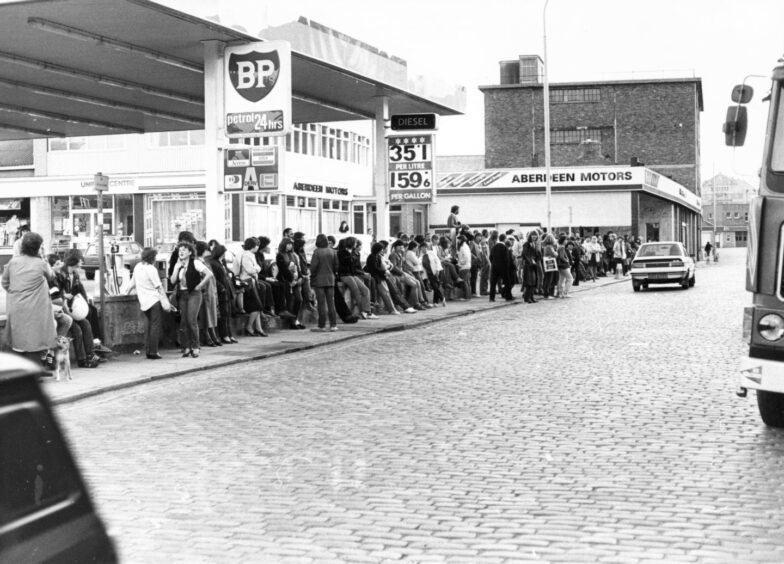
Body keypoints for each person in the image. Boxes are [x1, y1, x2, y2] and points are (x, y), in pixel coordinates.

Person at [1, 232, 57, 363]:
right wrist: (43, 257)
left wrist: (17, 293)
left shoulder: (13, 262)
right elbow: (51, 276)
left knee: (18, 342)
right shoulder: (40, 263)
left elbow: (5, 283)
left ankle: (21, 372)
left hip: (17, 308)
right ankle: (35, 373)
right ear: (37, 248)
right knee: (35, 343)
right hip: (36, 309)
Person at [56, 251, 101, 368]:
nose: (82, 262)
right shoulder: (60, 274)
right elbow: (55, 292)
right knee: (77, 330)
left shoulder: (75, 275)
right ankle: (82, 360)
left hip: (72, 309)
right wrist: (63, 296)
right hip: (62, 311)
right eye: (80, 260)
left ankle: (91, 355)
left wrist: (85, 303)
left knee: (86, 324)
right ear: (74, 260)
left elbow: (80, 289)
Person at [169, 241, 213, 358]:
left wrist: (200, 285)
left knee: (191, 320)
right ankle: (186, 347)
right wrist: (176, 268)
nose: (181, 252)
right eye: (180, 250)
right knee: (183, 321)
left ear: (189, 252)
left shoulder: (196, 263)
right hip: (182, 294)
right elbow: (172, 281)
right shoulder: (178, 265)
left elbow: (209, 274)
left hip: (194, 294)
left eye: (184, 250)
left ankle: (195, 346)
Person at [125, 247, 170, 359]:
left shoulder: (137, 267)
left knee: (148, 327)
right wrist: (166, 301)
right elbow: (159, 287)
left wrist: (125, 293)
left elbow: (132, 283)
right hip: (154, 300)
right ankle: (154, 351)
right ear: (152, 258)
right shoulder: (151, 269)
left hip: (144, 302)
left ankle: (148, 350)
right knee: (155, 327)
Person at [308, 233, 339, 331]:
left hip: (319, 280)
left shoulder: (317, 252)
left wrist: (312, 276)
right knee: (331, 303)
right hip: (330, 279)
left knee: (321, 303)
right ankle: (333, 325)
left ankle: (321, 325)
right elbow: (336, 266)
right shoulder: (333, 252)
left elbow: (313, 267)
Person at [208, 244, 238, 344]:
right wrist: (221, 288)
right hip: (222, 292)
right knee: (223, 315)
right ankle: (224, 335)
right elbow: (214, 278)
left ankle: (229, 334)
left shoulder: (221, 263)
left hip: (228, 291)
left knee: (228, 314)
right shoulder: (214, 263)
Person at [195, 241, 222, 347]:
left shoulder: (205, 262)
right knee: (205, 315)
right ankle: (208, 336)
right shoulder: (199, 262)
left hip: (210, 290)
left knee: (210, 314)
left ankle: (211, 335)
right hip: (205, 291)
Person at [489, 233, 511, 302]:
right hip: (503, 267)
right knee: (507, 282)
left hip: (494, 267)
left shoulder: (494, 247)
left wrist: (493, 263)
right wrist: (506, 267)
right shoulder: (504, 247)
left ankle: (491, 298)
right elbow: (506, 259)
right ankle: (508, 297)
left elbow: (490, 257)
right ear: (504, 239)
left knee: (493, 283)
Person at [521, 231, 540, 303]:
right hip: (528, 265)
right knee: (529, 282)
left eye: (535, 235)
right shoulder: (526, 244)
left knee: (533, 282)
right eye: (533, 235)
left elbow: (536, 254)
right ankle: (527, 297)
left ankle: (531, 296)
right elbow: (524, 254)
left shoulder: (534, 244)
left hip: (533, 265)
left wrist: (536, 259)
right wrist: (530, 261)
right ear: (530, 236)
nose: (534, 236)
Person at [556, 233, 574, 298]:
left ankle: (559, 292)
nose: (566, 241)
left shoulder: (559, 246)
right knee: (570, 279)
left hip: (560, 266)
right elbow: (561, 257)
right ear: (563, 240)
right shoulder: (562, 247)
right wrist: (567, 260)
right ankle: (565, 292)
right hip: (563, 265)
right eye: (566, 240)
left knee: (561, 279)